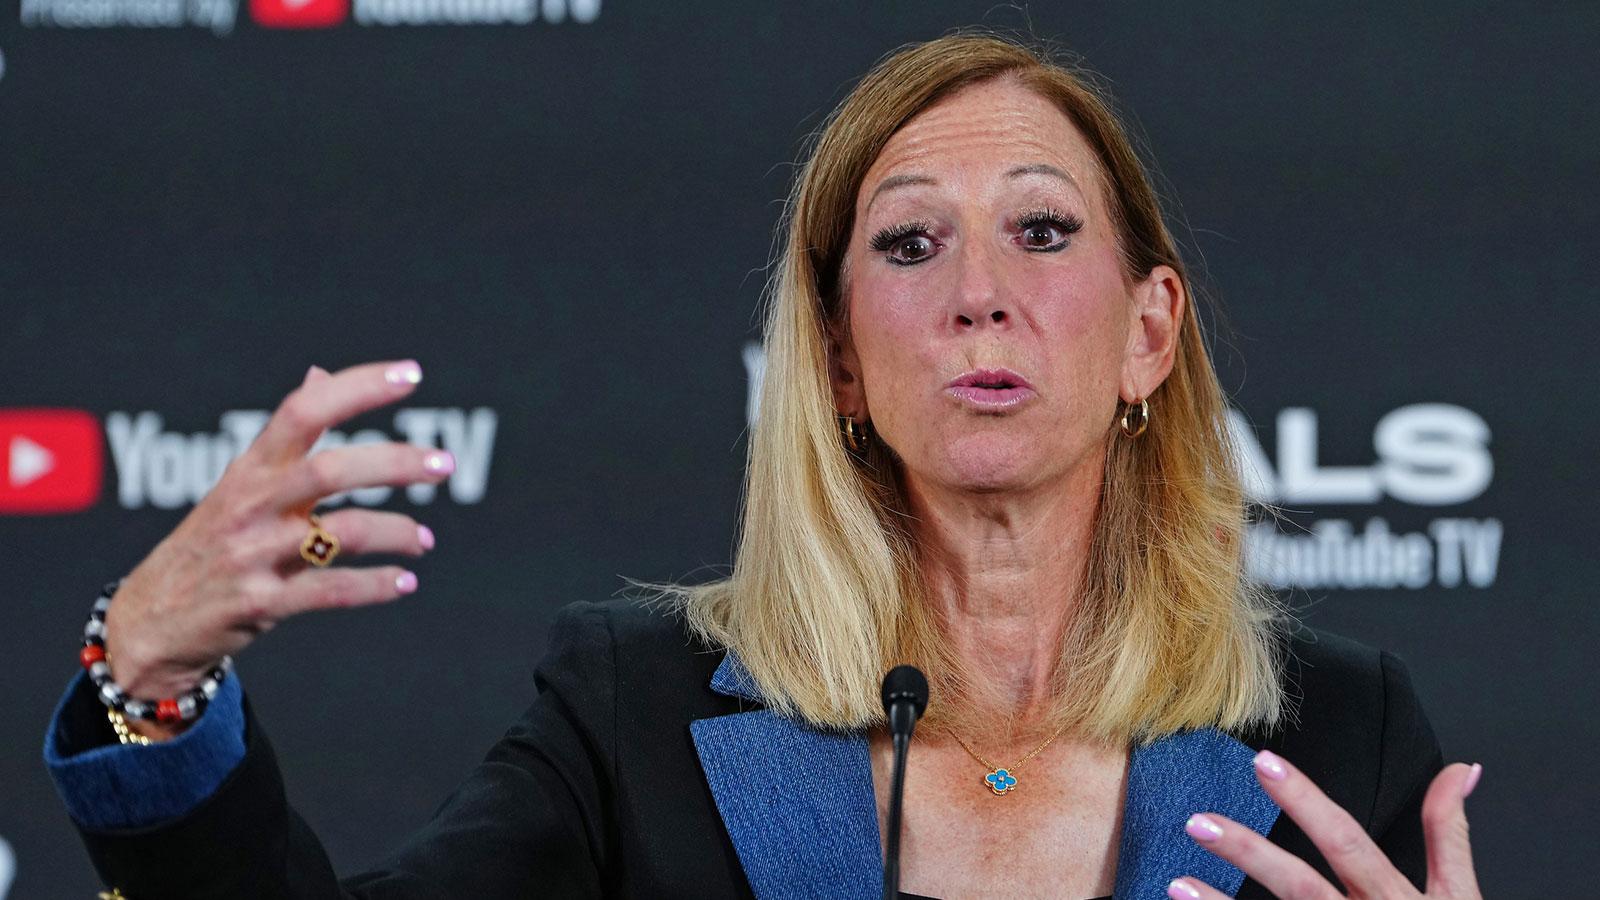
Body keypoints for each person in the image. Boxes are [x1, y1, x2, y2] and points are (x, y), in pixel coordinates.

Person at [43, 31, 1484, 899]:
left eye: (1042, 231)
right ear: (842, 360)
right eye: (909, 244)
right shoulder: (639, 712)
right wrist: (150, 687)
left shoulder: (1340, 733)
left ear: (1149, 333)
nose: (979, 293)